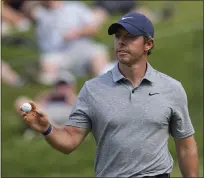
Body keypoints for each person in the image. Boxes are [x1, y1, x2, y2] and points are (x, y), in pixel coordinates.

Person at [20, 12, 199, 177]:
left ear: (148, 44)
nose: (121, 42)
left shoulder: (171, 88)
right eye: (118, 36)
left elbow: (186, 147)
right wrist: (47, 129)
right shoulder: (92, 89)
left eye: (129, 37)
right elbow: (70, 140)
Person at [27, 1, 109, 85]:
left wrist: (78, 32)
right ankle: (61, 82)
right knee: (47, 66)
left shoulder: (75, 7)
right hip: (55, 54)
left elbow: (93, 28)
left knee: (98, 53)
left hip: (80, 48)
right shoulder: (39, 11)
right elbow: (27, 9)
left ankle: (103, 84)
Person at [15, 71, 76, 139]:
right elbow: (35, 103)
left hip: (56, 118)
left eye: (64, 84)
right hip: (44, 115)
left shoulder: (73, 99)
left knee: (36, 110)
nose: (61, 87)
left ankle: (49, 131)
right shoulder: (50, 96)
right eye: (59, 84)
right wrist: (48, 95)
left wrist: (69, 95)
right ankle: (40, 130)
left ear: (71, 87)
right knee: (21, 101)